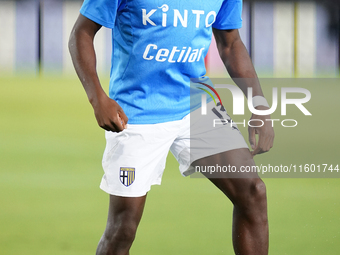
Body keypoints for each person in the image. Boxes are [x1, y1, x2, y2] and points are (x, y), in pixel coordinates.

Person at [69, 0, 274, 254]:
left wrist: (259, 105)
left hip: (196, 104)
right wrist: (97, 98)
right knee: (123, 228)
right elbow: (81, 33)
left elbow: (231, 44)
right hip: (137, 112)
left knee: (253, 191)